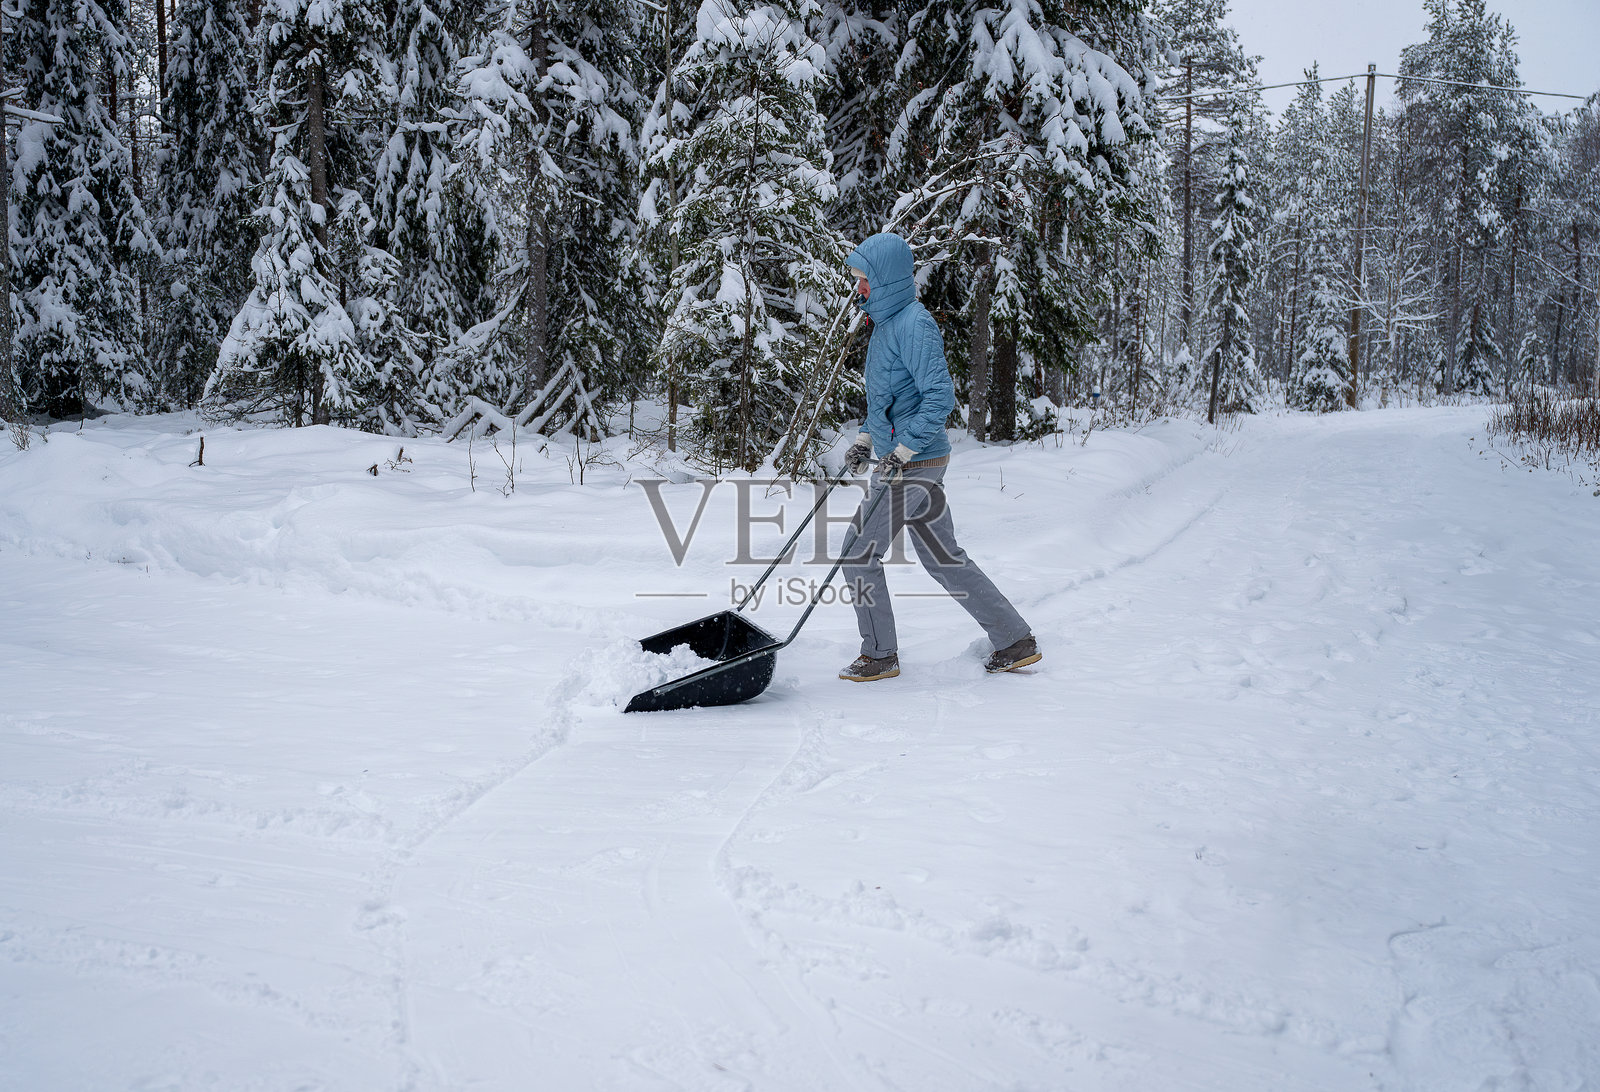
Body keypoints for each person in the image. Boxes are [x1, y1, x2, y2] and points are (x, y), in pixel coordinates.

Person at [836, 231, 1041, 682]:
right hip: (907, 459)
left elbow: (939, 398)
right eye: (856, 281)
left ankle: (879, 655)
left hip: (914, 462)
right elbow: (887, 402)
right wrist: (866, 441)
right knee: (943, 557)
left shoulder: (915, 324)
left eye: (863, 280)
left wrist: (903, 451)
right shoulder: (885, 325)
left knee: (856, 553)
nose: (859, 289)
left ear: (886, 280)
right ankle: (1015, 640)